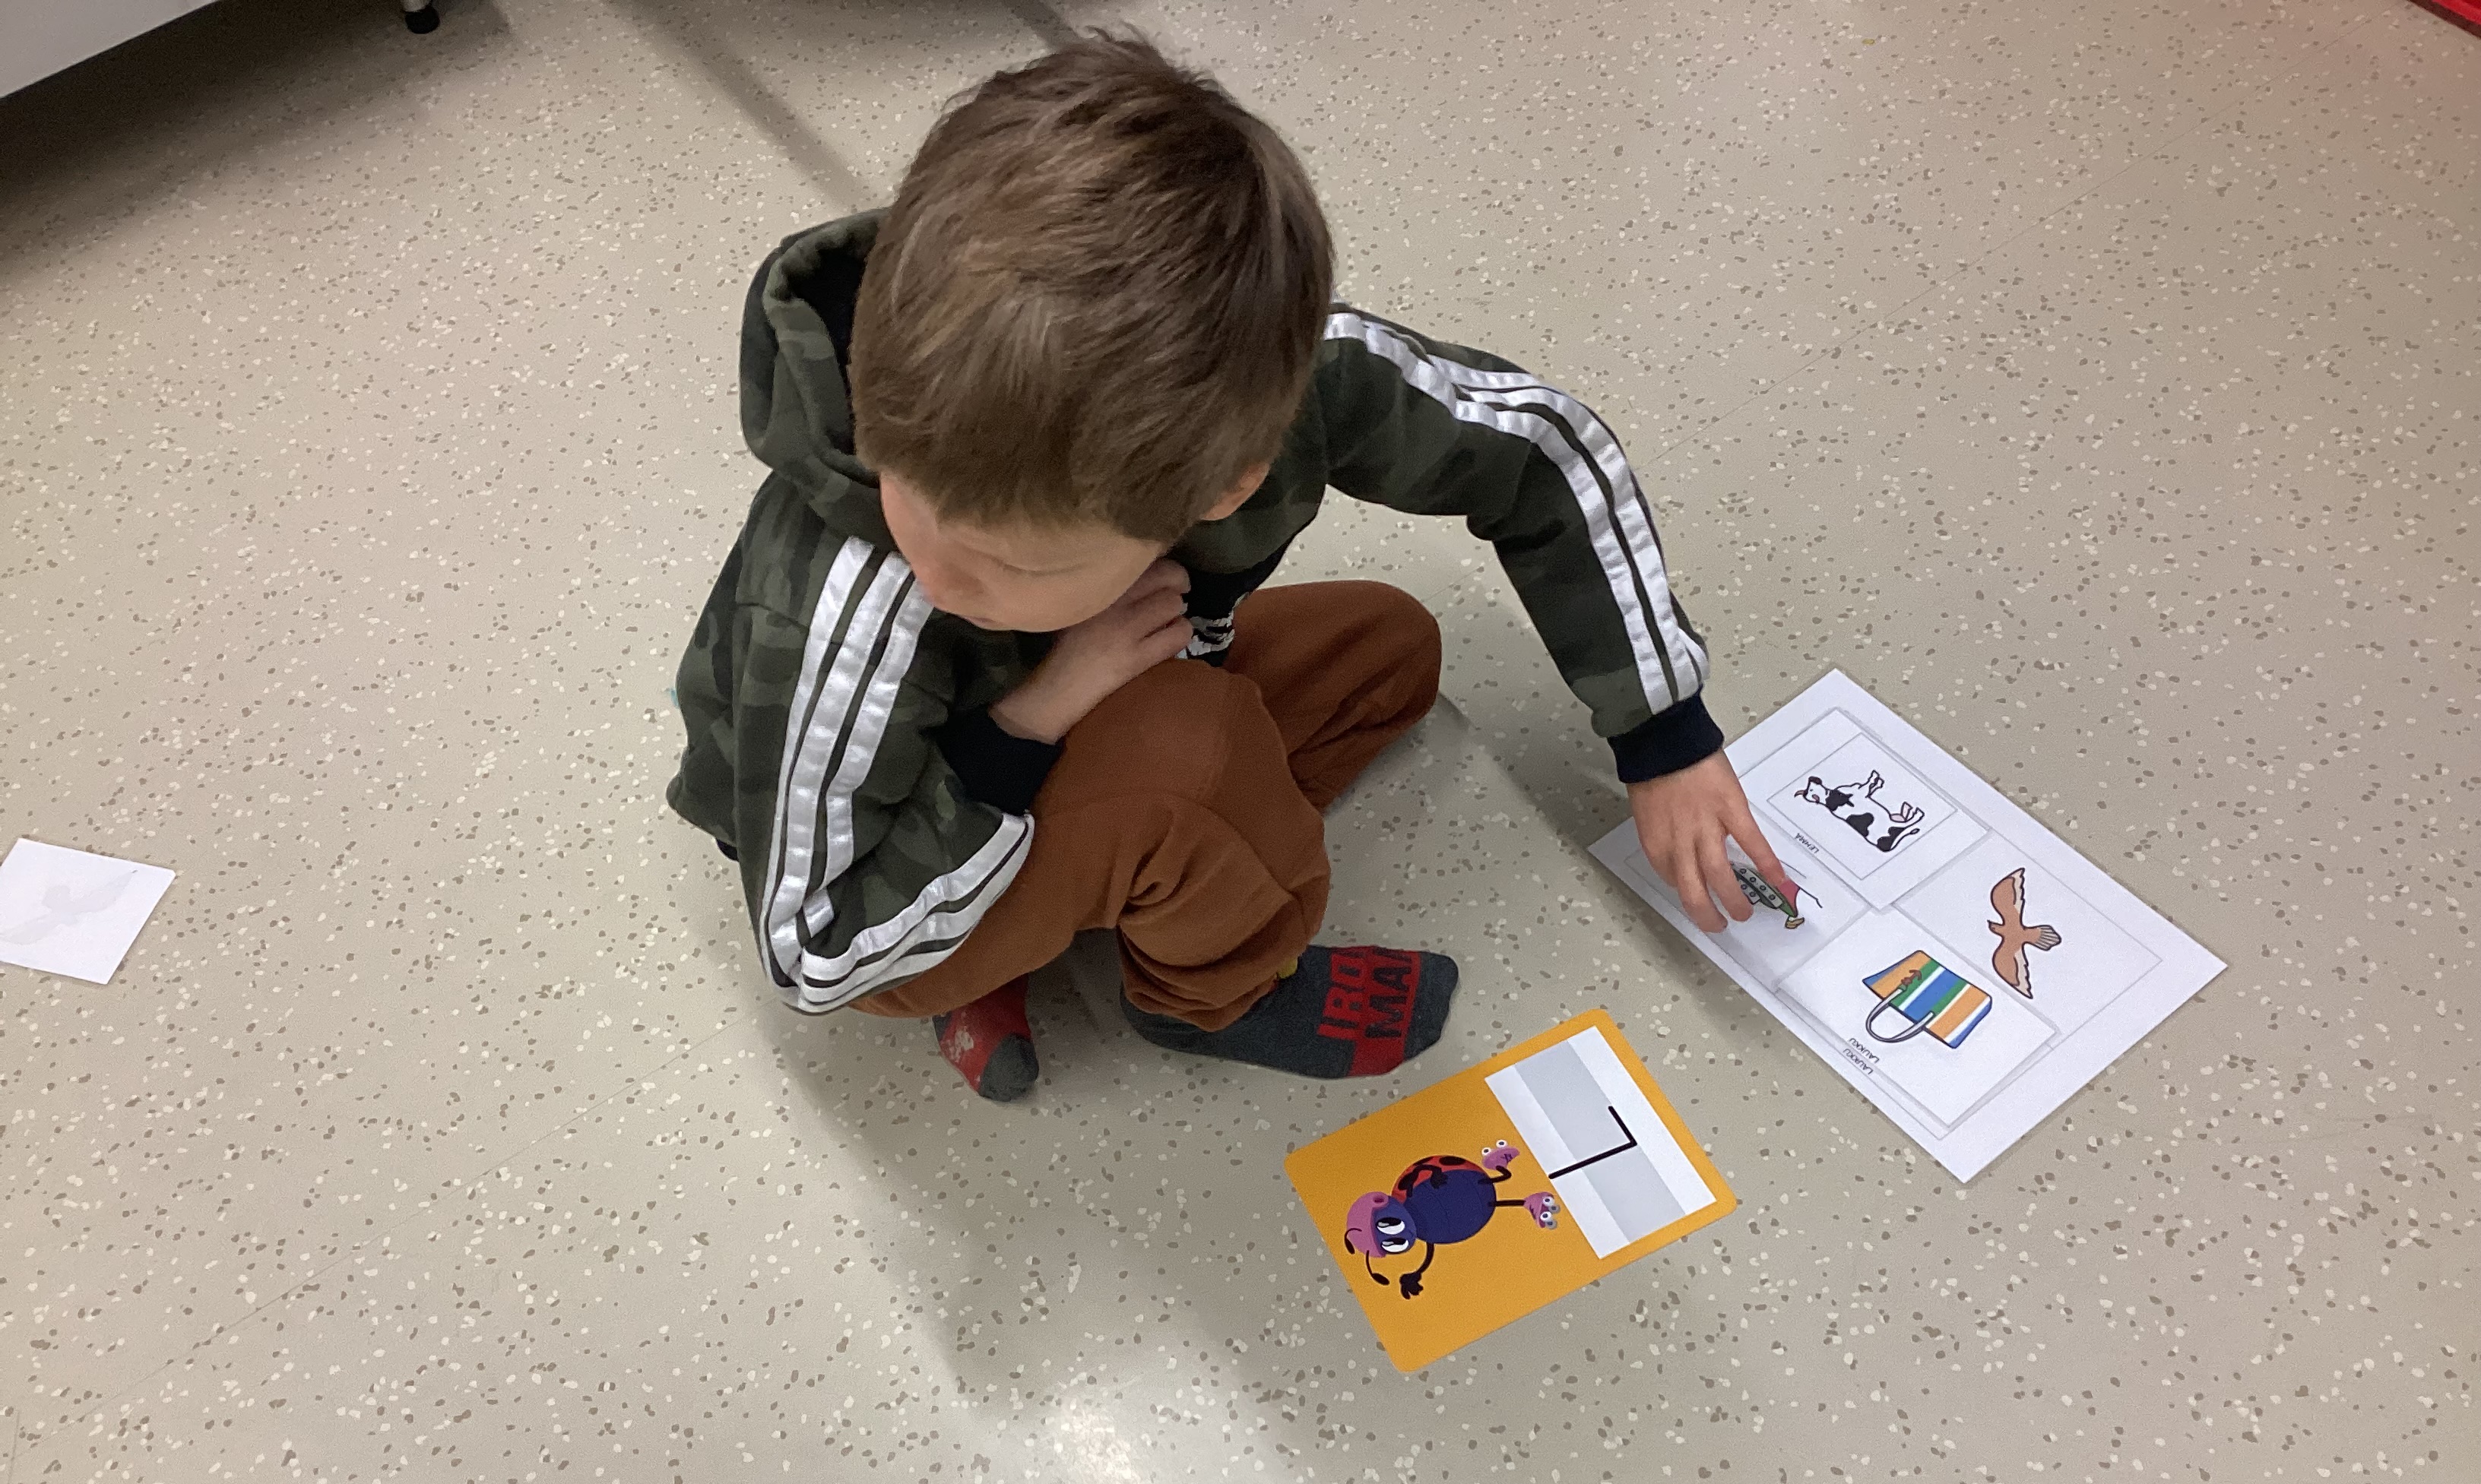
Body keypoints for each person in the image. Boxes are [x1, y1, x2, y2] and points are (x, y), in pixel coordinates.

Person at [667, 32, 1792, 1102]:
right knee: (1196, 766)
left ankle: (1087, 906)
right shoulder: (846, 607)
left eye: (1010, 563)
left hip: (1072, 714)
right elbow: (814, 953)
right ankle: (1207, 995)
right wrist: (1036, 718)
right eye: (905, 491)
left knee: (1389, 651)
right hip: (871, 890)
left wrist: (1664, 735)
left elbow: (1541, 455)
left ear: (1222, 486)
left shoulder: (1259, 382)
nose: (942, 574)